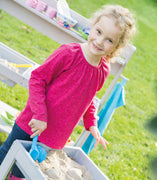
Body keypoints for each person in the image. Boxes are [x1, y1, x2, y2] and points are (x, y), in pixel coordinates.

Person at [0, 4, 136, 180]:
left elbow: (88, 99)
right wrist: (40, 115)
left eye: (109, 40)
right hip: (32, 124)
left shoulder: (103, 70)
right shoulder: (69, 54)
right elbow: (37, 79)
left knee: (22, 172)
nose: (100, 41)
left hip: (55, 137)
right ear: (93, 27)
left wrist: (92, 124)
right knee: (5, 157)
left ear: (117, 47)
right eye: (99, 32)